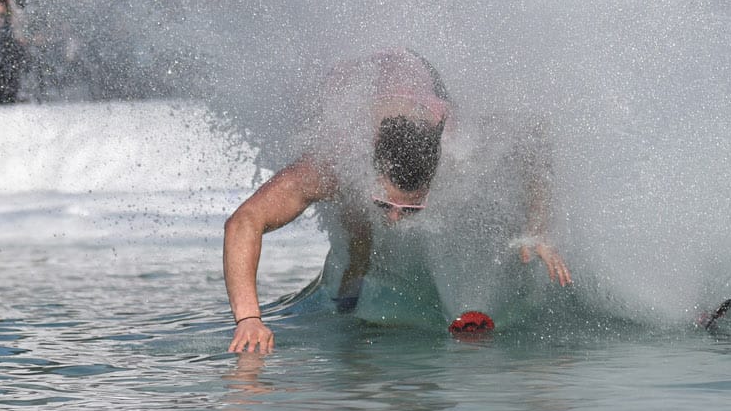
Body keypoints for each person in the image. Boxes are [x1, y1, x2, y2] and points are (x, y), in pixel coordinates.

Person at [223, 50, 570, 354]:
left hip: (415, 74)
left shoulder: (459, 147)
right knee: (354, 210)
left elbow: (532, 134)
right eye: (386, 205)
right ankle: (356, 267)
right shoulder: (334, 161)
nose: (394, 219)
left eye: (410, 209)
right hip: (344, 85)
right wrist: (249, 319)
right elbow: (244, 221)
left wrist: (537, 228)